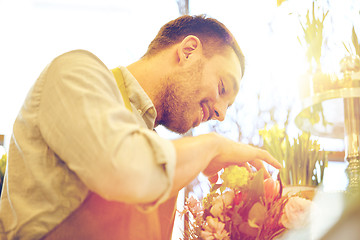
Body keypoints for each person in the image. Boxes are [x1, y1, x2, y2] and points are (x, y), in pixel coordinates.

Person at [0, 14, 281, 240]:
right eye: (222, 87)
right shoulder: (75, 72)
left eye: (227, 107)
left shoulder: (157, 150)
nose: (220, 114)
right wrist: (213, 146)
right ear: (188, 51)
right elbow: (125, 169)